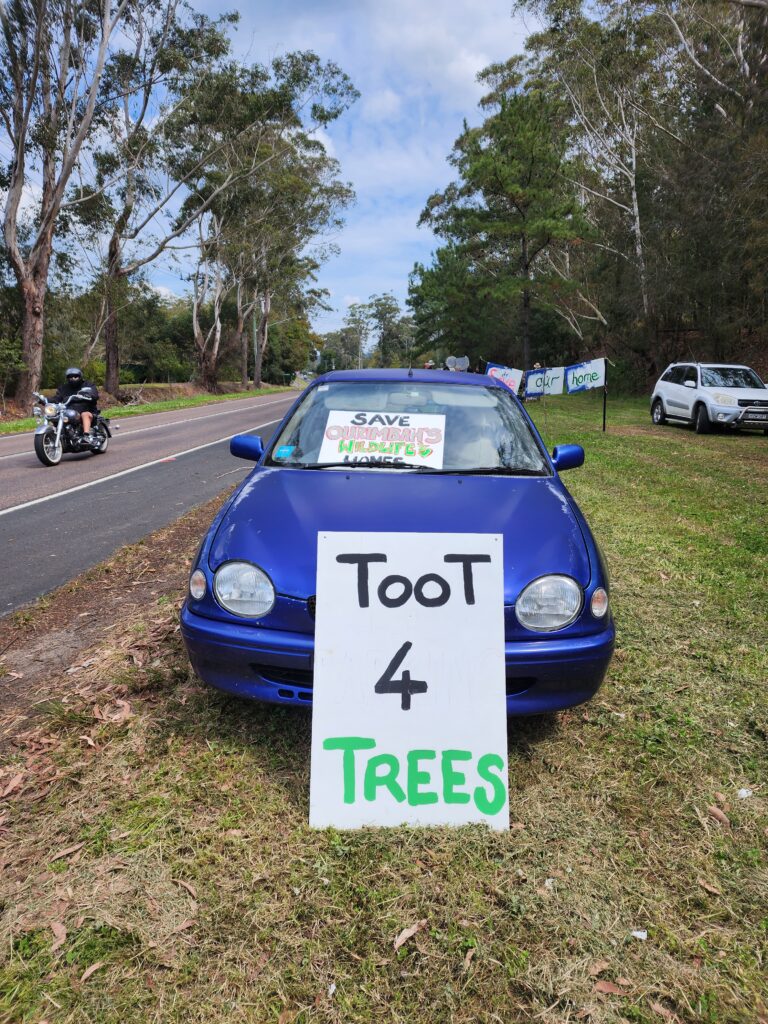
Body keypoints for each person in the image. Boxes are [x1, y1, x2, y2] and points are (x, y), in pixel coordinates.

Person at [52, 368, 99, 442]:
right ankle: (62, 435)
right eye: (70, 377)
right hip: (70, 412)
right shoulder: (64, 388)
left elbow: (95, 395)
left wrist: (89, 394)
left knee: (84, 414)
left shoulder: (88, 384)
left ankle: (86, 436)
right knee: (57, 416)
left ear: (80, 376)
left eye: (75, 376)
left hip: (87, 410)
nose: (73, 379)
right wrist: (43, 399)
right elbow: (56, 398)